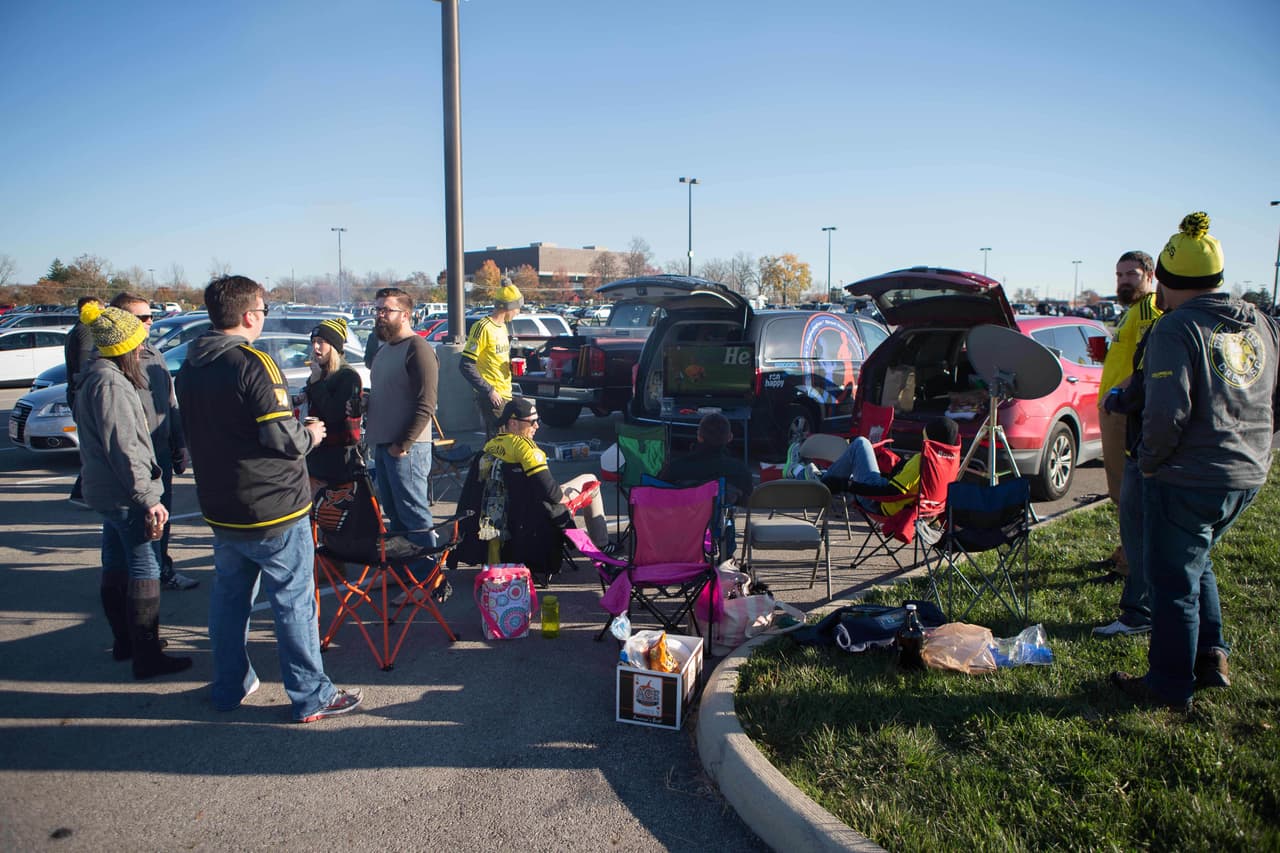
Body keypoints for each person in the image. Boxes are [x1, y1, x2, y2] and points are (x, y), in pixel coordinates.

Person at [1112, 212, 1279, 711]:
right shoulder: (1260, 322)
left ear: (1165, 279)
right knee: (1196, 560)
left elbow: (1167, 412)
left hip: (1187, 476)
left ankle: (1167, 686)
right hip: (1246, 473)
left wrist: (1149, 463)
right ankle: (1212, 657)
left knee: (1173, 583)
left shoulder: (1175, 328)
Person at [176, 275, 362, 723]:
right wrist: (311, 435)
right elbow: (282, 436)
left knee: (229, 599)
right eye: (261, 310)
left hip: (222, 507)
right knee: (293, 601)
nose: (263, 317)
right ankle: (311, 695)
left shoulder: (190, 365)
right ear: (248, 316)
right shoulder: (251, 362)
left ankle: (229, 684)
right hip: (273, 506)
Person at [75, 302, 192, 679]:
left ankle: (127, 642)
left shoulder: (100, 376)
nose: (143, 349)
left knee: (117, 562)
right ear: (121, 347)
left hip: (112, 493)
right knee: (144, 565)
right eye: (138, 342)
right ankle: (145, 652)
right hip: (125, 495)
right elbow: (125, 447)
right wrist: (148, 499)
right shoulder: (110, 383)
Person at [451, 397, 609, 584]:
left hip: (504, 517)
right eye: (532, 421)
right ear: (513, 423)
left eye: (538, 420)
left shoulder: (489, 447)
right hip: (537, 515)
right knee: (590, 480)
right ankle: (602, 547)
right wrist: (563, 493)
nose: (537, 426)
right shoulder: (527, 450)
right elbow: (554, 495)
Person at [110, 293, 199, 592]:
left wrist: (180, 444)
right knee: (129, 531)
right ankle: (132, 587)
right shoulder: (113, 366)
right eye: (142, 318)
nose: (150, 323)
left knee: (161, 523)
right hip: (133, 459)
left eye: (151, 317)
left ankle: (161, 571)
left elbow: (169, 404)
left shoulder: (153, 355)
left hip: (160, 454)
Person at [1093, 251, 1162, 583]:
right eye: (1119, 275)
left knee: (1126, 494)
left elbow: (1146, 362)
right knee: (1119, 492)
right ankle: (1124, 554)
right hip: (1113, 411)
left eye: (1131, 274)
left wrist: (1117, 393)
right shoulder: (1131, 311)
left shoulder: (1149, 309)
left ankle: (1130, 567)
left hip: (1125, 413)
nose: (1123, 281)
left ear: (1149, 275)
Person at [366, 286, 439, 552]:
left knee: (414, 518)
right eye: (378, 310)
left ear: (406, 315)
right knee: (395, 520)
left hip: (407, 450)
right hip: (383, 446)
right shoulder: (384, 350)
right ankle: (406, 578)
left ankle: (428, 581)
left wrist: (403, 444)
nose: (380, 315)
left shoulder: (418, 348)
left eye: (386, 310)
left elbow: (426, 403)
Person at [658, 412, 754, 556]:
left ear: (699, 437)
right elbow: (747, 501)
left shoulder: (676, 468)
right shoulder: (738, 470)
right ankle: (724, 555)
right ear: (730, 438)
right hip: (717, 529)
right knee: (726, 511)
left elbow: (656, 493)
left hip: (677, 531)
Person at [823, 416, 960, 515]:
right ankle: (823, 478)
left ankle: (820, 485)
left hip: (880, 503)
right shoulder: (950, 462)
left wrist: (847, 485)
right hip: (923, 510)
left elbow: (892, 492)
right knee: (868, 456)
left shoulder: (922, 460)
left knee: (861, 443)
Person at [297, 317, 364, 487]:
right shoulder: (321, 372)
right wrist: (303, 395)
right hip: (316, 451)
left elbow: (334, 414)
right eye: (313, 342)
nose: (315, 347)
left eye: (321, 342)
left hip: (339, 456)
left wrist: (317, 383)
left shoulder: (348, 376)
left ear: (333, 346)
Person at [460, 280, 522, 437]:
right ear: (507, 307)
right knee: (498, 441)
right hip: (493, 396)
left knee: (509, 441)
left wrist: (512, 366)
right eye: (517, 308)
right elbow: (466, 365)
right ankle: (487, 462)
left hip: (506, 391)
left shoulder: (502, 327)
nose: (518, 312)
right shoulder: (483, 327)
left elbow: (495, 359)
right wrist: (489, 391)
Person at [65, 295, 103, 508]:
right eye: (101, 307)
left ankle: (82, 491)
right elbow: (82, 365)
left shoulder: (76, 330)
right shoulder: (86, 331)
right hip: (81, 394)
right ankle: (82, 492)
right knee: (97, 446)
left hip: (77, 393)